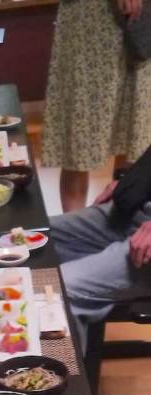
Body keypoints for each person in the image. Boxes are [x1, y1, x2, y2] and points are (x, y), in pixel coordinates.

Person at [42, 0, 151, 212]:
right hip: (88, 21)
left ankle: (118, 220)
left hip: (142, 24)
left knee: (133, 139)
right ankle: (74, 227)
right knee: (79, 142)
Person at [51, 145, 151, 350]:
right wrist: (135, 180)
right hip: (137, 208)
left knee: (60, 291)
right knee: (33, 238)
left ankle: (64, 370)